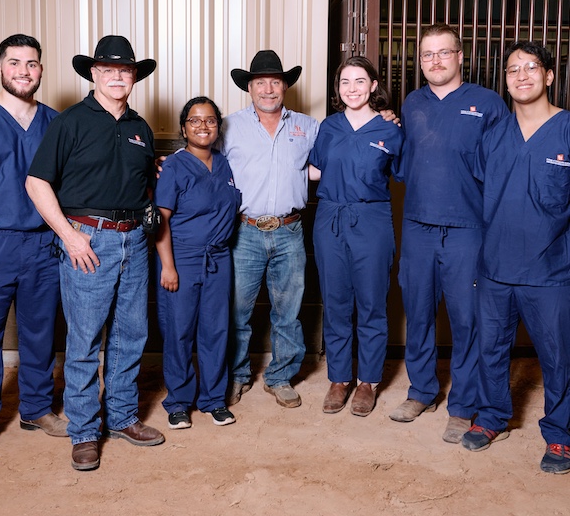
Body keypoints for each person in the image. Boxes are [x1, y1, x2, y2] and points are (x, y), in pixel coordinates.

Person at [25, 35, 164, 471]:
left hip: (133, 240)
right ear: (94, 74)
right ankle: (84, 431)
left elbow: (144, 186)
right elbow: (37, 182)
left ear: (134, 76)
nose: (118, 76)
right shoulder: (70, 122)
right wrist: (69, 236)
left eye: (125, 70)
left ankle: (122, 417)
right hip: (88, 240)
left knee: (131, 334)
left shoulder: (140, 127)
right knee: (85, 340)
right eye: (108, 70)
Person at [389, 24, 509, 443]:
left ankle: (463, 405)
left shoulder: (488, 103)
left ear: (461, 56)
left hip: (467, 230)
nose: (435, 61)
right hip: (419, 226)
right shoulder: (413, 102)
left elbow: (503, 168)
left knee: (467, 320)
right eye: (427, 54)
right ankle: (421, 390)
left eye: (444, 53)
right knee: (418, 313)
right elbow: (401, 161)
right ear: (420, 61)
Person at [461, 41, 570, 474]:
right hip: (496, 268)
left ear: (548, 76)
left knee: (558, 356)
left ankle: (560, 436)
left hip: (551, 270)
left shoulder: (565, 129)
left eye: (531, 67)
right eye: (512, 70)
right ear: (505, 81)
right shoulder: (493, 135)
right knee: (491, 348)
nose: (521, 75)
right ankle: (491, 418)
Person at [0, 34, 67, 464]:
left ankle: (37, 409)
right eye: (14, 63)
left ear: (41, 69)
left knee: (40, 333)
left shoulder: (56, 123)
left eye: (31, 64)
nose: (23, 71)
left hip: (43, 243)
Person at [221, 50, 319, 409]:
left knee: (287, 310)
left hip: (290, 231)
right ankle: (236, 374)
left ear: (285, 86)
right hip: (244, 231)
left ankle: (280, 376)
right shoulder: (228, 125)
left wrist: (383, 117)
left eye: (274, 81)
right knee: (236, 311)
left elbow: (332, 160)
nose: (267, 89)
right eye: (260, 82)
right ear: (249, 88)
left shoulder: (308, 127)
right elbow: (204, 161)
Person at [309, 56, 403, 416]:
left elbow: (405, 172)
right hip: (331, 217)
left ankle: (368, 380)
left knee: (371, 302)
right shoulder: (328, 127)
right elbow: (315, 171)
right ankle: (339, 377)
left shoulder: (390, 129)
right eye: (345, 82)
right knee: (335, 301)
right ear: (338, 89)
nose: (352, 88)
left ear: (373, 86)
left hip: (372, 219)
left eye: (359, 81)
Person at [155, 97, 241, 429]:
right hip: (182, 258)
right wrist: (168, 267)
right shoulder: (175, 166)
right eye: (195, 120)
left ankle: (213, 399)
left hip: (219, 258)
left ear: (218, 126)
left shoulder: (225, 164)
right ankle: (178, 402)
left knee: (216, 330)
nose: (202, 126)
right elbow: (161, 220)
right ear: (183, 128)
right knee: (179, 332)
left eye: (209, 120)